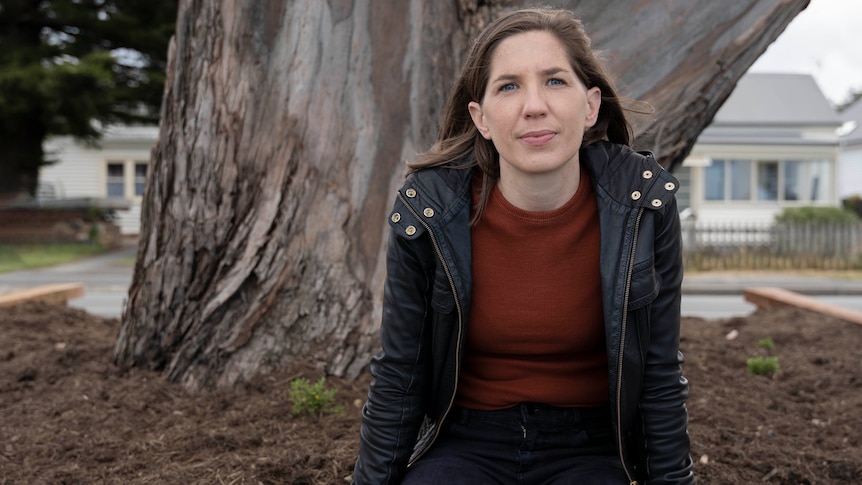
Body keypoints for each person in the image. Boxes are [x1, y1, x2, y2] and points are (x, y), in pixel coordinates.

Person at [353, 7, 694, 485]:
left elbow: (659, 376)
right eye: (508, 86)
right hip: (465, 445)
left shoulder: (642, 206)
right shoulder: (429, 212)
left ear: (590, 105)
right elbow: (399, 375)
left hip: (591, 451)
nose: (534, 105)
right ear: (482, 118)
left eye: (555, 81)